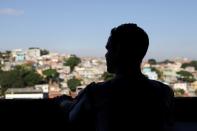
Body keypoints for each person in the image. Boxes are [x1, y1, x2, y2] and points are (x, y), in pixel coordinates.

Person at [64, 23, 174, 131]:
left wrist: (64, 102)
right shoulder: (164, 92)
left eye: (109, 49)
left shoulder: (96, 93)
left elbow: (72, 117)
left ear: (119, 50)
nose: (106, 55)